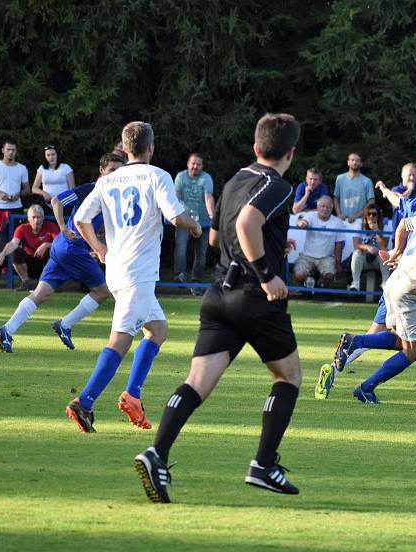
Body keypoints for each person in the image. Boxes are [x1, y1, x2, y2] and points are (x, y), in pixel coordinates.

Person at [133, 113, 303, 502]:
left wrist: (272, 245)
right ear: (289, 153)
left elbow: (214, 238)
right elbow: (246, 224)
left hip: (218, 297)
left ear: (256, 147)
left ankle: (156, 453)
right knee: (288, 376)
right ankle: (263, 464)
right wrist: (266, 272)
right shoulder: (277, 185)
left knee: (196, 383)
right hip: (254, 297)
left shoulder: (233, 180)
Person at [66, 121, 202, 434]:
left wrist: (99, 248)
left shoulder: (107, 180)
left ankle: (133, 395)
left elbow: (80, 219)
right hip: (138, 273)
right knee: (121, 339)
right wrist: (194, 226)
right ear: (151, 147)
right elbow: (175, 216)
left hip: (117, 270)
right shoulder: (158, 176)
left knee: (158, 329)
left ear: (124, 148)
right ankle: (84, 401)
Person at [318, 176, 416, 398]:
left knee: (411, 338)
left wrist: (397, 251)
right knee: (413, 351)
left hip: (395, 282)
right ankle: (365, 381)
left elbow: (401, 217)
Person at [0, 154, 124, 353]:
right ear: (102, 171)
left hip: (64, 248)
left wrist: (97, 245)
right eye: (112, 170)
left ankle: (7, 330)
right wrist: (62, 226)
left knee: (41, 293)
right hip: (72, 248)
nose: (116, 174)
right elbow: (56, 201)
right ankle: (66, 324)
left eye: (120, 170)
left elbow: (100, 226)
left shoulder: (113, 196)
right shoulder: (90, 189)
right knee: (103, 291)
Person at [0, 139, 30, 278]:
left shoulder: (22, 168)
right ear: (3, 150)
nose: (11, 152)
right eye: (8, 149)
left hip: (16, 209)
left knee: (16, 242)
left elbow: (27, 189)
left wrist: (19, 194)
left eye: (13, 150)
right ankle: (1, 271)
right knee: (0, 243)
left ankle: (17, 274)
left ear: (16, 151)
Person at [173, 153, 215, 295]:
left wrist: (212, 217)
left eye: (198, 164)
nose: (195, 166)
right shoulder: (180, 177)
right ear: (188, 163)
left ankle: (196, 281)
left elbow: (208, 197)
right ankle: (180, 276)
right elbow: (177, 198)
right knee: (180, 247)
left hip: (203, 221)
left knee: (201, 253)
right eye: (193, 163)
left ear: (202, 166)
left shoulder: (206, 178)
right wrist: (175, 215)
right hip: (184, 221)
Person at [0, 204, 58, 291]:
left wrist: (47, 244)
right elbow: (13, 243)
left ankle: (50, 284)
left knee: (57, 252)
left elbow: (60, 244)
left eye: (39, 217)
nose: (36, 220)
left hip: (46, 263)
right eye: (33, 217)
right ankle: (25, 283)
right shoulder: (22, 228)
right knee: (15, 252)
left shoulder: (51, 226)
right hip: (29, 263)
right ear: (28, 219)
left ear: (43, 218)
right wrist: (2, 254)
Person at [292, 196, 345, 287]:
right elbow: (303, 222)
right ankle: (306, 283)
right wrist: (302, 223)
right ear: (317, 208)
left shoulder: (337, 222)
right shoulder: (311, 216)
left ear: (332, 209)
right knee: (299, 275)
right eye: (322, 206)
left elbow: (338, 245)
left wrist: (338, 264)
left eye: (328, 207)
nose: (325, 209)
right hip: (307, 256)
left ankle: (318, 285)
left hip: (327, 257)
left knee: (329, 276)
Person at [348, 204, 390, 291]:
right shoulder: (359, 225)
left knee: (384, 253)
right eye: (369, 214)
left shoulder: (385, 226)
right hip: (363, 260)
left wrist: (377, 231)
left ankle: (386, 283)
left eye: (374, 214)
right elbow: (356, 244)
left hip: (378, 261)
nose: (371, 216)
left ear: (378, 216)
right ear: (365, 216)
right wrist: (367, 247)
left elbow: (384, 246)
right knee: (356, 252)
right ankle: (355, 283)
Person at [333, 152, 374, 224]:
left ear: (361, 163)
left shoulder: (367, 181)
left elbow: (371, 202)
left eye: (357, 160)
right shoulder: (340, 178)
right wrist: (339, 214)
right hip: (342, 219)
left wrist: (356, 215)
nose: (355, 162)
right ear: (348, 162)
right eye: (352, 160)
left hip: (360, 220)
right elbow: (336, 198)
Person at [31, 145, 75, 211]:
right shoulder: (41, 169)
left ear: (57, 155)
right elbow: (34, 188)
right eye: (48, 155)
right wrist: (44, 194)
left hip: (64, 205)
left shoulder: (66, 168)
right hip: (47, 204)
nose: (51, 157)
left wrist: (63, 199)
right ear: (45, 157)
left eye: (53, 154)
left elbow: (72, 188)